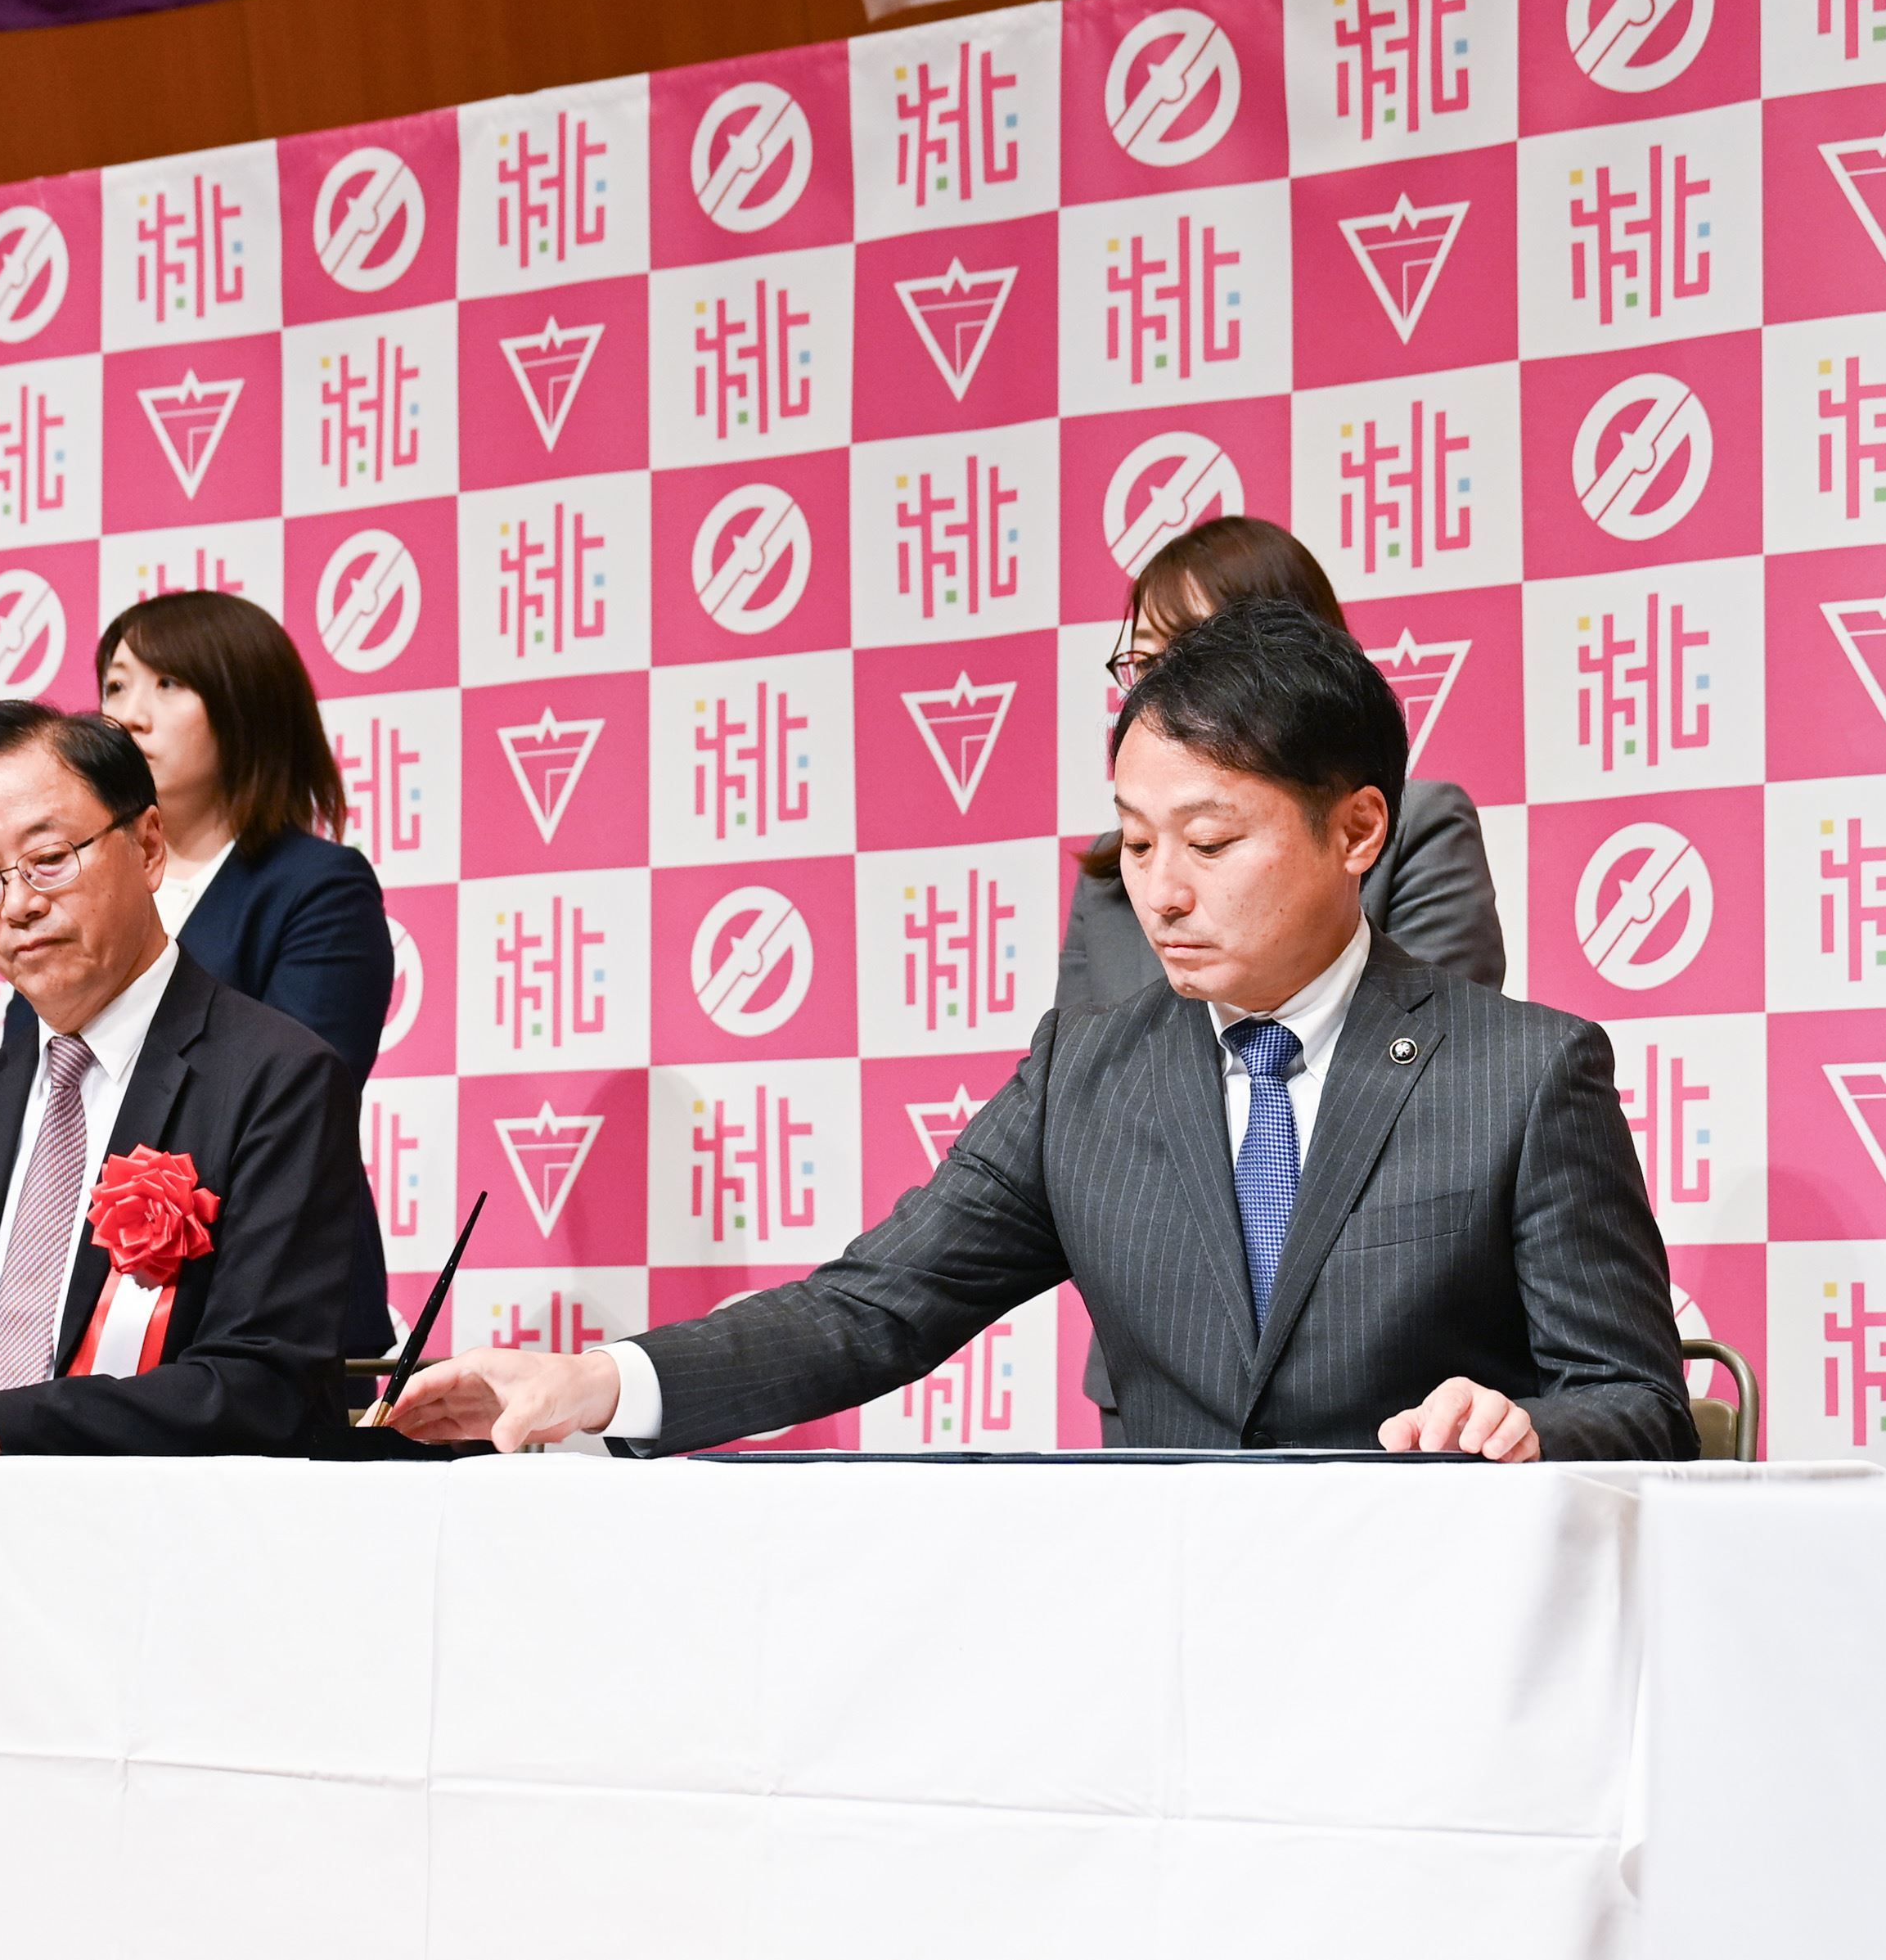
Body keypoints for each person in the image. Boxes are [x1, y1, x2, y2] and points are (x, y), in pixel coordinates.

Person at [390, 600, 1696, 1463]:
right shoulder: (1089, 1069)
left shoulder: (1523, 1074)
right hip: (1153, 1649)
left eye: (1211, 840)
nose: (1163, 889)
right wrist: (602, 1382)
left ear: (1357, 831)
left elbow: (1639, 1404)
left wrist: (1524, 1424)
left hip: (1432, 1654)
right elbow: (875, 1306)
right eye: (1134, 843)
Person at [0, 701, 360, 1455]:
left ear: (148, 846)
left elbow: (263, 1387)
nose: (19, 905)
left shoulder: (276, 1079)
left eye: (49, 858)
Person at [1061, 517, 1509, 1435]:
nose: (1166, 895)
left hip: (1384, 1378)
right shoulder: (1118, 875)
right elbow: (1094, 1109)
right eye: (1138, 664)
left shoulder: (1406, 829)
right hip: (1166, 1365)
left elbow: (1426, 1074)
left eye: (1190, 655)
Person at [65, 591, 394, 1363]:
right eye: (115, 685)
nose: (128, 715)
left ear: (246, 702)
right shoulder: (69, 894)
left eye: (167, 685)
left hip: (260, 1296)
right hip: (78, 1296)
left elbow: (301, 1097)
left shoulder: (314, 887)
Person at [1061, 514, 1502, 1008]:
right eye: (1145, 665)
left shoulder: (1419, 826)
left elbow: (1445, 1048)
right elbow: (1076, 1075)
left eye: (1211, 844)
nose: (1165, 689)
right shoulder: (1109, 873)